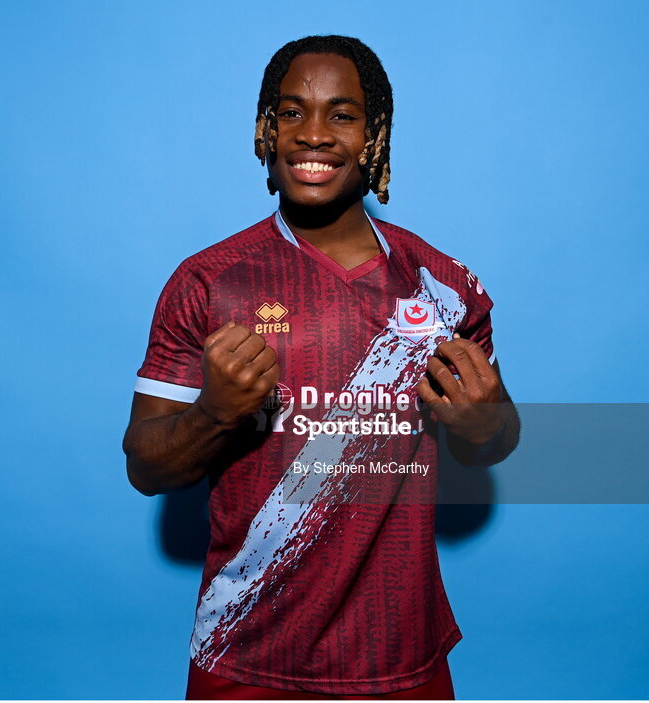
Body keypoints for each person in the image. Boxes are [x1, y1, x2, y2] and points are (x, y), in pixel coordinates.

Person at [123, 34, 520, 700]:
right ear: (264, 131)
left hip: (400, 652)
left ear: (375, 134)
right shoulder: (207, 282)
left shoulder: (442, 286)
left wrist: (482, 425)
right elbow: (144, 466)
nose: (312, 134)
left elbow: (494, 438)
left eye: (341, 114)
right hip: (243, 652)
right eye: (289, 112)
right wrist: (215, 414)